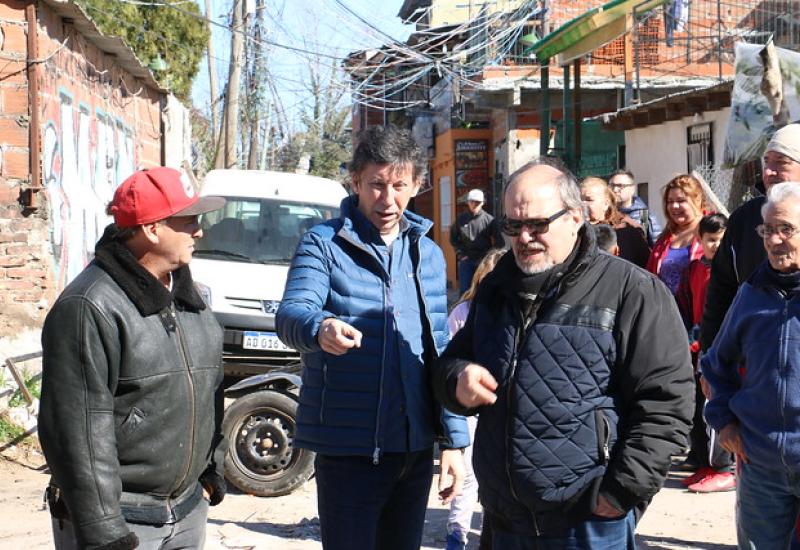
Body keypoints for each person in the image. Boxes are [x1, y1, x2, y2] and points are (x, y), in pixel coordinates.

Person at [431, 158, 694, 549]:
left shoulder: (631, 291)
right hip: (506, 520)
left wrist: (619, 493)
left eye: (537, 224)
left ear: (575, 218)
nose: (523, 237)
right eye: (513, 226)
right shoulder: (496, 288)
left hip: (587, 521)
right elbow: (448, 367)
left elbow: (666, 404)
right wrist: (459, 378)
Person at [275, 124, 469, 550]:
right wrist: (320, 329)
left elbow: (439, 350)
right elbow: (291, 314)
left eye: (399, 185)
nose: (388, 199)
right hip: (348, 451)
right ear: (356, 182)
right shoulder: (323, 244)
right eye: (376, 185)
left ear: (417, 184)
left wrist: (453, 441)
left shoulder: (428, 254)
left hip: (413, 452)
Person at [38, 167, 228, 550]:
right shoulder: (89, 306)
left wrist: (210, 474)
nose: (199, 230)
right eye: (188, 220)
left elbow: (211, 392)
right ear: (152, 229)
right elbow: (76, 434)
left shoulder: (191, 299)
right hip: (122, 524)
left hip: (187, 511)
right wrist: (105, 531)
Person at [702, 181, 800, 549]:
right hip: (760, 464)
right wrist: (723, 421)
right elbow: (716, 364)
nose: (774, 240)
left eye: (786, 229)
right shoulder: (750, 294)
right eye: (767, 230)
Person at [701, 123, 800, 351]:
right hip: (756, 364)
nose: (768, 172)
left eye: (781, 163)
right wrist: (711, 355)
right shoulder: (744, 219)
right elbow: (721, 294)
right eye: (767, 162)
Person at [444, 248, 505, 550]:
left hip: (498, 411)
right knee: (467, 477)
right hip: (469, 411)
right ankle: (457, 533)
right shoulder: (463, 313)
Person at [674, 213, 734, 493]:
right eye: (710, 240)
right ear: (700, 241)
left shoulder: (732, 274)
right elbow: (684, 303)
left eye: (720, 240)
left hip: (720, 350)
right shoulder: (694, 269)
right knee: (695, 407)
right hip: (695, 348)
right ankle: (702, 461)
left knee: (712, 406)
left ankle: (722, 467)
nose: (715, 246)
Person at [646, 174, 707, 296]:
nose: (674, 206)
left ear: (698, 200)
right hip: (667, 311)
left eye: (681, 201)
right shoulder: (664, 239)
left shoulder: (713, 233)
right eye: (670, 201)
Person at [579, 176, 650, 267]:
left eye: (589, 200)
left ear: (606, 203)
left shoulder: (626, 230)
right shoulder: (574, 229)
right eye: (580, 199)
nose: (582, 205)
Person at [450, 188, 503, 295]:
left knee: (484, 290)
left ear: (482, 203)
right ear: (468, 202)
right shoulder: (461, 219)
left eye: (477, 202)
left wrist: (489, 258)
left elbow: (500, 243)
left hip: (484, 261)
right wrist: (460, 254)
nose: (474, 205)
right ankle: (464, 311)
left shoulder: (490, 220)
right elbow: (453, 238)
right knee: (465, 291)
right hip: (466, 260)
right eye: (472, 202)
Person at [609, 168, 663, 246]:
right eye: (612, 185)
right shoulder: (605, 214)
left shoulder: (644, 216)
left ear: (632, 189)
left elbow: (656, 247)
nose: (615, 190)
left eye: (620, 186)